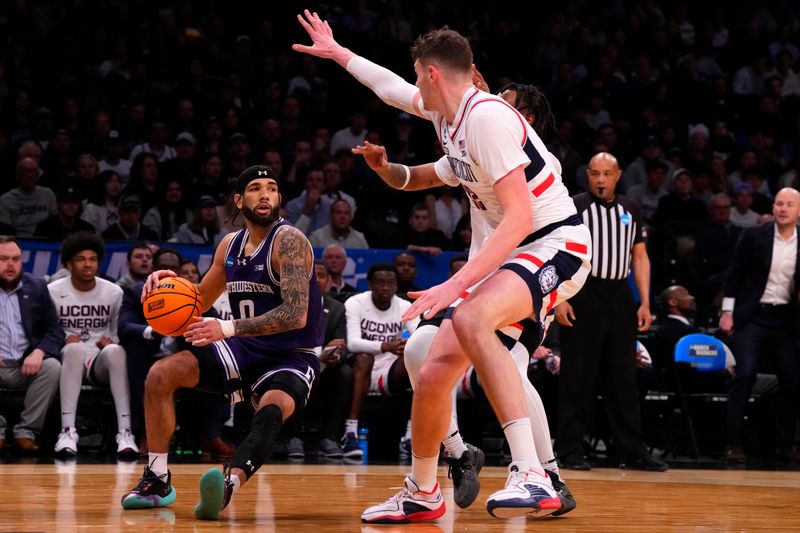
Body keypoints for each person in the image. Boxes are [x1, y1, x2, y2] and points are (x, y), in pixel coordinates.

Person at [295, 11, 591, 521]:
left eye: (417, 74)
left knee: (472, 320)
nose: (413, 84)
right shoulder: (446, 117)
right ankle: (423, 491)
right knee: (431, 368)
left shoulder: (487, 118)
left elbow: (520, 218)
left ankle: (534, 473)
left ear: (432, 72)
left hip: (557, 245)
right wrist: (339, 53)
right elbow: (389, 88)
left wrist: (452, 286)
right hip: (518, 252)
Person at [121, 165, 323, 522]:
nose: (265, 195)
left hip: (290, 354)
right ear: (238, 200)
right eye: (255, 188)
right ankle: (157, 479)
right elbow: (197, 299)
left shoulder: (289, 241)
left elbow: (296, 315)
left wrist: (227, 328)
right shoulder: (230, 245)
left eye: (272, 188)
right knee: (160, 374)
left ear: (278, 198)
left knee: (272, 409)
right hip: (243, 349)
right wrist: (168, 286)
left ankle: (228, 483)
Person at [555, 152, 668, 472]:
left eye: (606, 174)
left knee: (624, 377)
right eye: (595, 173)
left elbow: (641, 257)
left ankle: (633, 451)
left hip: (619, 295)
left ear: (618, 176)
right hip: (582, 292)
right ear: (587, 175)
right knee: (577, 375)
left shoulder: (631, 208)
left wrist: (643, 301)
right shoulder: (575, 206)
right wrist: (560, 298)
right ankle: (570, 450)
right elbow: (558, 251)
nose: (600, 180)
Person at [719, 187, 800, 464]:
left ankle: (785, 444)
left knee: (791, 380)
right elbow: (735, 275)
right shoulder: (754, 236)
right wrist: (727, 312)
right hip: (753, 316)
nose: (783, 208)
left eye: (789, 204)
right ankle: (732, 443)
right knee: (745, 374)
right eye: (779, 203)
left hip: (786, 319)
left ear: (798, 210)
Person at [47, 232, 137, 457]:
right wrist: (61, 339)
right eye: (81, 259)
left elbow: (119, 330)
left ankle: (125, 434)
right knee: (74, 349)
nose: (88, 264)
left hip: (99, 361)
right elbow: (47, 329)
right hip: (68, 358)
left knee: (116, 351)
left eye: (93, 259)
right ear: (69, 263)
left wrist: (111, 342)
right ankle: (67, 432)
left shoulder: (113, 291)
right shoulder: (54, 291)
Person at [341, 263, 418, 459]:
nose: (385, 288)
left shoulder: (405, 306)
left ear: (396, 285)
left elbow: (420, 337)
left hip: (390, 371)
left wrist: (407, 343)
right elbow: (352, 343)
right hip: (360, 370)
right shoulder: (355, 303)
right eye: (380, 283)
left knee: (417, 357)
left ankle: (411, 436)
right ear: (370, 284)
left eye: (390, 283)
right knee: (364, 358)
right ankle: (350, 433)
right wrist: (385, 346)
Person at [0, 236, 64, 454]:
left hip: (24, 365)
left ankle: (26, 432)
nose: (11, 264)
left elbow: (55, 329)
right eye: (3, 259)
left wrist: (39, 351)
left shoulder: (36, 287)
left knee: (52, 366)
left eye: (16, 259)